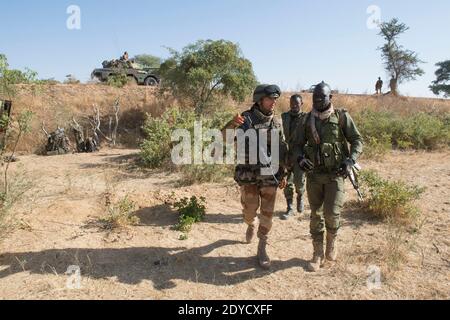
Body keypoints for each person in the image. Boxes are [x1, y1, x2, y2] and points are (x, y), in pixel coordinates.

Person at [293, 81, 363, 272]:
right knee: (316, 215)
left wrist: (350, 161)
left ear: (330, 97)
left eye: (322, 97)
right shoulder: (306, 120)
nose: (317, 100)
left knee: (332, 213)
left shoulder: (341, 117)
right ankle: (317, 253)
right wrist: (299, 159)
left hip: (335, 176)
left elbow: (357, 140)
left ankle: (332, 242)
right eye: (314, 97)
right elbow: (297, 145)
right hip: (314, 176)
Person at [223, 84, 288, 269]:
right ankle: (250, 223)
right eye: (270, 99)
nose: (274, 102)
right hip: (249, 174)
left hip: (270, 175)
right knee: (249, 210)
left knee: (267, 214)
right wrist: (232, 124)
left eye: (275, 99)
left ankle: (262, 247)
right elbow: (224, 140)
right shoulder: (244, 118)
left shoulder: (277, 122)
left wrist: (284, 172)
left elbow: (282, 149)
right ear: (260, 100)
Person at [280, 94, 306, 220]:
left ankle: (300, 196)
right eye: (292, 103)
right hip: (287, 153)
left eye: (296, 103)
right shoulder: (284, 117)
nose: (294, 105)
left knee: (299, 181)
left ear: (302, 104)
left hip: (300, 154)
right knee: (287, 182)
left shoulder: (306, 118)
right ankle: (289, 207)